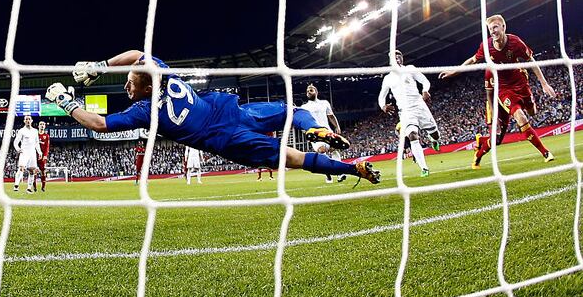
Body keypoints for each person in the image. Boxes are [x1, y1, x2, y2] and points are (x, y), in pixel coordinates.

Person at [46, 51, 380, 184]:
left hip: (224, 137)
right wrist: (101, 67)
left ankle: (352, 168)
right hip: (228, 108)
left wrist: (65, 100)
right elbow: (137, 54)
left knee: (292, 158)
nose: (126, 86)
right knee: (294, 112)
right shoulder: (164, 73)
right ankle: (317, 129)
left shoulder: (146, 111)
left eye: (130, 83)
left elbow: (99, 124)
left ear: (145, 87)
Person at [439, 14, 556, 168]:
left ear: (503, 27)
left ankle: (481, 142)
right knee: (518, 120)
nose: (492, 31)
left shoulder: (515, 42)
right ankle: (545, 153)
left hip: (521, 83)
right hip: (503, 90)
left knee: (532, 112)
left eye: (495, 27)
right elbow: (474, 63)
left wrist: (544, 84)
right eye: (490, 29)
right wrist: (454, 72)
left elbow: (530, 61)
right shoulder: (487, 56)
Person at [378, 50, 440, 178]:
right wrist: (383, 106)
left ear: (402, 58)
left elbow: (425, 81)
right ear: (390, 61)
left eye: (399, 54)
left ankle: (433, 139)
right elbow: (381, 97)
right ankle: (424, 168)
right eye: (394, 56)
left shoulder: (410, 69)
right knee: (412, 135)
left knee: (435, 133)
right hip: (405, 111)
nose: (397, 57)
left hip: (420, 106)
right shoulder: (388, 78)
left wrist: (425, 91)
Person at [301, 83, 346, 183]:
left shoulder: (324, 103)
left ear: (316, 92)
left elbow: (331, 116)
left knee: (334, 149)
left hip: (327, 131)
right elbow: (302, 120)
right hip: (315, 133)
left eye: (311, 90)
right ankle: (328, 174)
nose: (308, 92)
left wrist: (337, 126)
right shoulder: (304, 107)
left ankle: (340, 173)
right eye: (307, 91)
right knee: (322, 152)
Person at [13, 114, 43, 194]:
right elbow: (16, 142)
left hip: (32, 153)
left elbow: (37, 143)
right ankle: (16, 185)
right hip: (24, 152)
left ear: (32, 120)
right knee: (21, 168)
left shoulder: (35, 131)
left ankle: (29, 188)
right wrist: (18, 149)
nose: (28, 120)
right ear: (24, 121)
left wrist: (39, 152)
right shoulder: (21, 131)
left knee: (32, 171)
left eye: (29, 119)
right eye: (26, 119)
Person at [35, 121, 50, 192]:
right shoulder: (35, 135)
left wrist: (45, 155)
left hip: (42, 157)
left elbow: (47, 146)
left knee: (43, 172)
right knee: (33, 171)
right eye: (40, 124)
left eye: (43, 124)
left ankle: (43, 187)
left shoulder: (46, 136)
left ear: (45, 126)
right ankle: (34, 187)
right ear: (38, 126)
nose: (42, 125)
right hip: (35, 156)